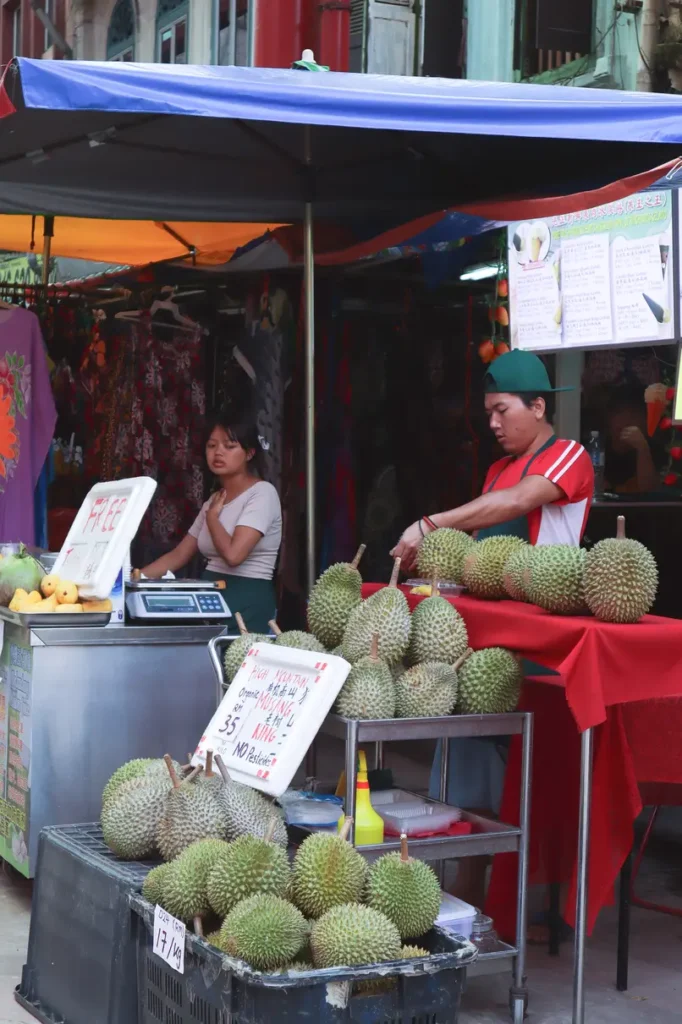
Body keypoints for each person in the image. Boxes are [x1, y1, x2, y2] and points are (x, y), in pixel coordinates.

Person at [391, 349, 595, 909]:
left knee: (511, 763)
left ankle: (505, 889)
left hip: (539, 645)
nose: (493, 424)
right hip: (482, 636)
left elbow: (517, 502)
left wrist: (432, 522)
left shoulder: (566, 455)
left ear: (538, 405)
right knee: (465, 745)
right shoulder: (496, 468)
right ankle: (468, 883)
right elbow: (479, 539)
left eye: (502, 410)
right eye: (488, 413)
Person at [141, 417, 282, 632]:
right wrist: (132, 580)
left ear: (249, 453)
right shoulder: (214, 500)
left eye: (229, 446)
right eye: (212, 445)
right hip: (210, 603)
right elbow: (179, 555)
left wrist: (213, 519)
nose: (218, 452)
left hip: (247, 604)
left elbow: (234, 555)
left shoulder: (262, 494)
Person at [602, 389, 662, 495]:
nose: (625, 420)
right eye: (619, 413)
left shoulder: (655, 449)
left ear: (645, 421)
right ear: (609, 418)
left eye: (633, 414)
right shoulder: (597, 448)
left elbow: (650, 491)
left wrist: (642, 449)